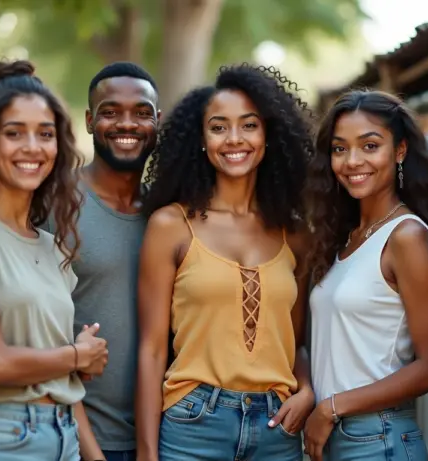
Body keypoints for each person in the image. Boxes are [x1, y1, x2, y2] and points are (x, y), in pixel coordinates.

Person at [0, 60, 109, 461]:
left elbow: (59, 382)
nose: (33, 147)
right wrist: (79, 356)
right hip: (0, 439)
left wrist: (95, 457)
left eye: (45, 134)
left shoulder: (52, 248)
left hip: (64, 437)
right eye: (15, 133)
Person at [135, 63, 315, 461]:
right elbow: (150, 351)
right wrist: (146, 455)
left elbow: (294, 342)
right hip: (192, 426)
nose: (235, 139)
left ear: (269, 134)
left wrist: (306, 390)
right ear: (201, 139)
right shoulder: (171, 225)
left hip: (277, 430)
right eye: (218, 127)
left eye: (249, 125)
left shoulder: (296, 234)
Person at [302, 90, 428, 461]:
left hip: (378, 439)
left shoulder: (407, 237)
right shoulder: (344, 237)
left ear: (399, 151)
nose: (353, 161)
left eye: (370, 146)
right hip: (337, 438)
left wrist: (331, 407)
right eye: (340, 149)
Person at [40, 61, 161, 461]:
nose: (127, 124)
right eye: (111, 112)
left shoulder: (170, 213)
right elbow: (36, 332)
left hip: (166, 438)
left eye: (142, 113)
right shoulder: (54, 204)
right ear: (90, 121)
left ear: (157, 122)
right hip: (73, 439)